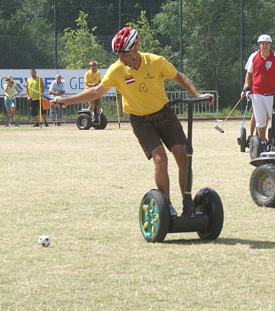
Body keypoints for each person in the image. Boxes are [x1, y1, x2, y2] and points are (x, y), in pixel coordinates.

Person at [52, 26, 212, 216]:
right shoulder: (116, 70)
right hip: (140, 120)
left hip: (164, 113)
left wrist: (197, 94)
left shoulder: (156, 62)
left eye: (124, 54)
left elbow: (179, 77)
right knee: (161, 159)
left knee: (182, 154)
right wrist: (64, 100)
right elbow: (95, 92)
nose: (121, 58)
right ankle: (166, 206)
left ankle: (188, 202)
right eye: (118, 54)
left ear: (135, 49)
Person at [242, 34, 275, 146]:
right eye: (262, 43)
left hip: (272, 94)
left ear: (270, 45)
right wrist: (247, 88)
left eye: (267, 44)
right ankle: (262, 142)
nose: (264, 46)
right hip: (256, 93)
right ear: (259, 45)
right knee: (260, 119)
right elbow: (249, 74)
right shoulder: (253, 57)